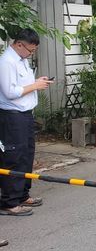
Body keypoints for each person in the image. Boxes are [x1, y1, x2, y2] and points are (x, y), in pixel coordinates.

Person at [0, 28, 53, 216]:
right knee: (13, 157)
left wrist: (37, 81)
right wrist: (35, 86)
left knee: (26, 155)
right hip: (12, 116)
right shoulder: (7, 62)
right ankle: (8, 202)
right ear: (19, 44)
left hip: (25, 115)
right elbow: (10, 92)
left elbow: (22, 86)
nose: (31, 54)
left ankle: (22, 194)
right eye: (30, 50)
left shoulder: (21, 60)